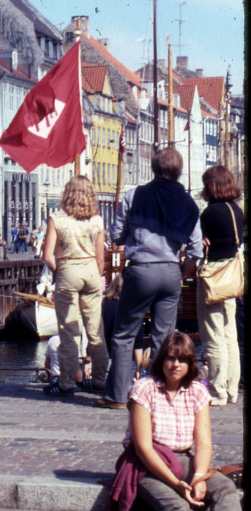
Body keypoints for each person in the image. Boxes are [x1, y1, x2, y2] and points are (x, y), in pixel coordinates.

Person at [105, 331, 242, 511]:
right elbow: (143, 447)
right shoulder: (145, 388)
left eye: (182, 359)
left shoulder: (198, 392)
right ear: (161, 361)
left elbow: (204, 442)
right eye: (170, 358)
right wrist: (176, 483)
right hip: (146, 464)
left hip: (182, 458)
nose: (175, 364)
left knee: (224, 487)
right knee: (175, 504)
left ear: (191, 364)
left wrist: (199, 476)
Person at [97, 147, 203, 409]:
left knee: (124, 333)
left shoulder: (135, 194)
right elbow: (196, 250)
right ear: (178, 171)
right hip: (170, 271)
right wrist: (182, 273)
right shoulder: (189, 204)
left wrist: (127, 239)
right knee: (164, 337)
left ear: (155, 168)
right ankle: (159, 394)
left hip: (141, 270)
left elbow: (117, 232)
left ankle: (117, 397)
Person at [40, 176, 108, 397]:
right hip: (91, 272)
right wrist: (95, 276)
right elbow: (100, 259)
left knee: (69, 333)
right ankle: (99, 380)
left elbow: (47, 255)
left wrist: (60, 272)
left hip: (68, 270)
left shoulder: (57, 219)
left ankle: (67, 383)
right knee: (96, 331)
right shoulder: (97, 221)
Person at [196, 165, 243, 406]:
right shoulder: (237, 210)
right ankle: (232, 388)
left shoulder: (210, 213)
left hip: (214, 278)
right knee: (230, 334)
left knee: (213, 334)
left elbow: (201, 243)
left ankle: (217, 390)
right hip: (232, 278)